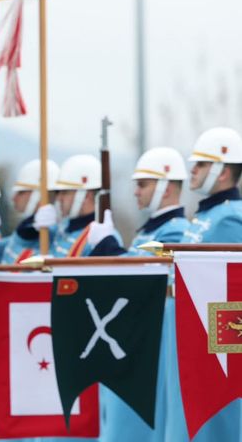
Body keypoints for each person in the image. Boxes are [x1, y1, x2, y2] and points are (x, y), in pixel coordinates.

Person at [87, 147, 190, 442]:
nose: (135, 192)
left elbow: (142, 277)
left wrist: (109, 244)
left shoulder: (177, 232)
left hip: (153, 345)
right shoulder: (149, 232)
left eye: (143, 184)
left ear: (166, 187)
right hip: (134, 341)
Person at [172, 127, 242, 441]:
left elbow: (230, 294)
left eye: (201, 164)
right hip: (193, 325)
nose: (193, 171)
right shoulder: (206, 216)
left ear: (223, 171)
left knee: (217, 418)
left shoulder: (230, 217)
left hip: (213, 337)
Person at [51, 154, 121, 257]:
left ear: (86, 196)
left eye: (65, 192)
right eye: (58, 192)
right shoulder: (60, 231)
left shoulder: (102, 238)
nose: (59, 198)